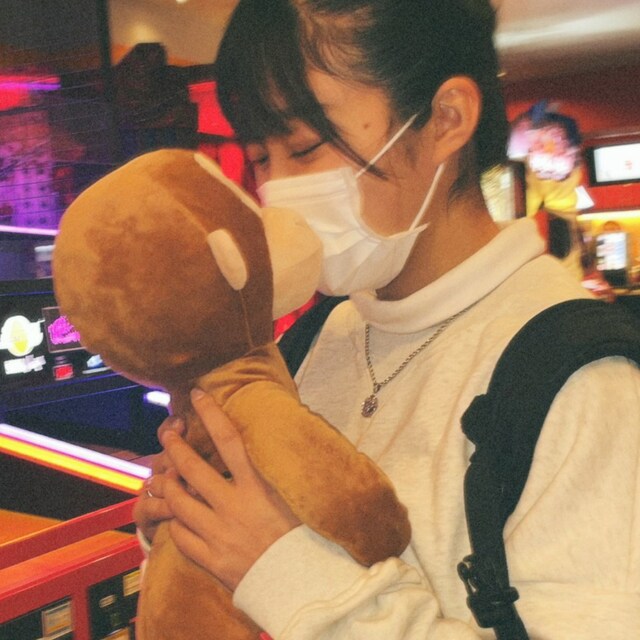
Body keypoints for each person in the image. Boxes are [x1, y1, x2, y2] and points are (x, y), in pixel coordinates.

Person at [133, 1, 640, 638]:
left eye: (305, 146)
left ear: (446, 118)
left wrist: (287, 574)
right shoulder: (311, 340)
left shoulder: (582, 378)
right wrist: (191, 535)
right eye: (261, 158)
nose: (278, 191)